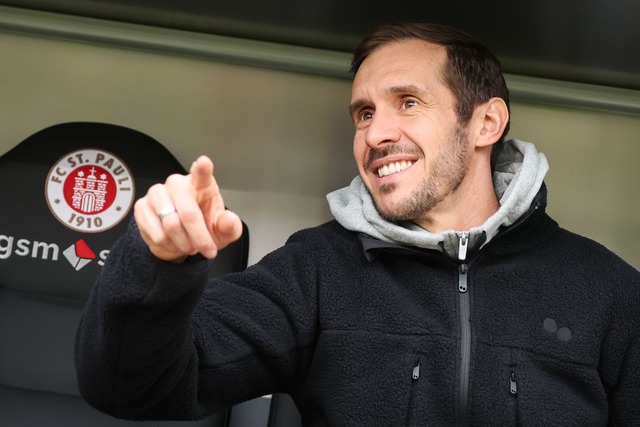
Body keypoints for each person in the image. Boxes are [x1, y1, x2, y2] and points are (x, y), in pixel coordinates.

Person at [75, 23, 640, 426]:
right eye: (364, 113)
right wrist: (157, 267)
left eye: (408, 102)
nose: (374, 134)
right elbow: (133, 389)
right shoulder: (316, 271)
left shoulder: (608, 291)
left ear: (486, 122)